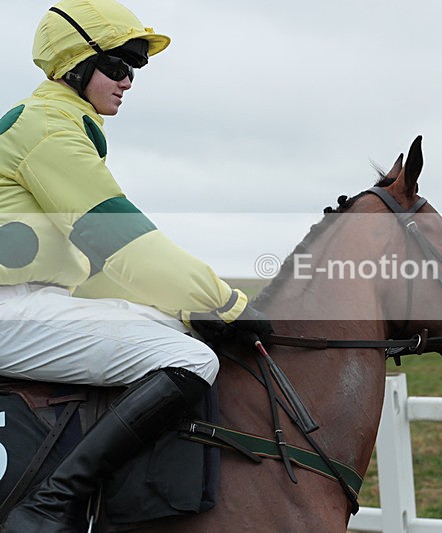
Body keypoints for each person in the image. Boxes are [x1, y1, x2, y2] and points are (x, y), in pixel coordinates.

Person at [0, 1, 272, 530]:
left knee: (172, 328)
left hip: (29, 300)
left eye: (135, 69)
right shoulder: (49, 132)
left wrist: (187, 308)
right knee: (191, 360)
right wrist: (225, 302)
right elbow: (124, 242)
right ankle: (50, 505)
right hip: (11, 309)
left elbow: (101, 266)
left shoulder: (55, 124)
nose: (129, 81)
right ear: (76, 68)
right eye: (120, 66)